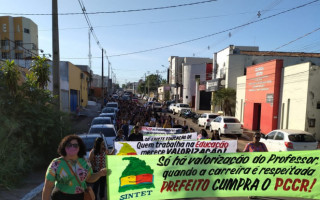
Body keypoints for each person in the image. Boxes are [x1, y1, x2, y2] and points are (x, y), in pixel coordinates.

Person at [42, 135, 107, 200]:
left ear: (80, 148)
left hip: (80, 197)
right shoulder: (56, 163)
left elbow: (89, 178)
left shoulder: (85, 162)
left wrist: (99, 174)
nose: (72, 147)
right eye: (69, 145)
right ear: (64, 146)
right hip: (61, 197)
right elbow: (48, 187)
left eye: (75, 145)